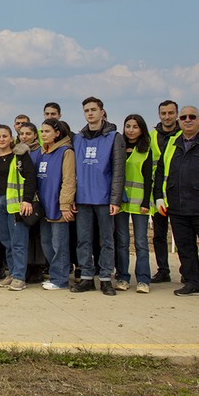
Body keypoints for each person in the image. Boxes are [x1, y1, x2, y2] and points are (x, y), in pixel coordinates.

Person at [154, 106, 199, 300]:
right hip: (177, 208)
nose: (188, 120)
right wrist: (159, 197)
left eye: (192, 117)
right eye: (184, 117)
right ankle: (193, 282)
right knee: (185, 248)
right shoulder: (171, 145)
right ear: (179, 121)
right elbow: (160, 172)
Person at [70, 96, 125, 296]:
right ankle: (86, 277)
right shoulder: (78, 139)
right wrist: (71, 198)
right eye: (87, 110)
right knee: (83, 240)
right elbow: (72, 171)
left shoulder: (114, 137)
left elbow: (118, 171)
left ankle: (105, 278)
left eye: (93, 109)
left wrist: (115, 199)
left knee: (107, 240)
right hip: (83, 198)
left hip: (104, 198)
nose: (90, 113)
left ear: (102, 112)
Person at [0, 125, 37, 291]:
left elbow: (30, 178)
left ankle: (20, 277)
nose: (1, 139)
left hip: (15, 204)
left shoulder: (20, 156)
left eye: (4, 136)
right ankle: (13, 273)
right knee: (6, 241)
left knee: (18, 242)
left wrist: (27, 200)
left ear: (11, 138)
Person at [115, 114, 153, 293]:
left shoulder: (146, 150)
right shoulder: (119, 147)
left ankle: (143, 279)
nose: (131, 130)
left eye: (135, 127)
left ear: (141, 129)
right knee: (122, 242)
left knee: (141, 242)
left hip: (139, 203)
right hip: (121, 201)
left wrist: (146, 202)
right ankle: (123, 277)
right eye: (128, 126)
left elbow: (148, 178)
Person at [36, 118, 75, 290]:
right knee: (47, 243)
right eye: (42, 131)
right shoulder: (43, 152)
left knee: (59, 245)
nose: (43, 135)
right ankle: (54, 275)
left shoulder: (66, 152)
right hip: (44, 205)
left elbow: (69, 180)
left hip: (58, 206)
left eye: (47, 131)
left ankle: (61, 280)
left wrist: (65, 204)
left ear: (57, 133)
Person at [148, 100, 181, 283]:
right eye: (163, 113)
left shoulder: (184, 135)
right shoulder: (151, 137)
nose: (167, 117)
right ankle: (163, 270)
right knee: (159, 234)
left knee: (182, 234)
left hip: (178, 192)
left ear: (176, 114)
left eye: (170, 113)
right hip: (157, 193)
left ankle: (186, 270)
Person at [18, 122, 45, 283]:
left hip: (38, 199)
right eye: (22, 134)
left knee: (38, 235)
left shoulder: (41, 152)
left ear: (35, 135)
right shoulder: (18, 152)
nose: (24, 137)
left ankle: (38, 267)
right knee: (26, 235)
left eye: (28, 133)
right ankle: (27, 266)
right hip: (23, 198)